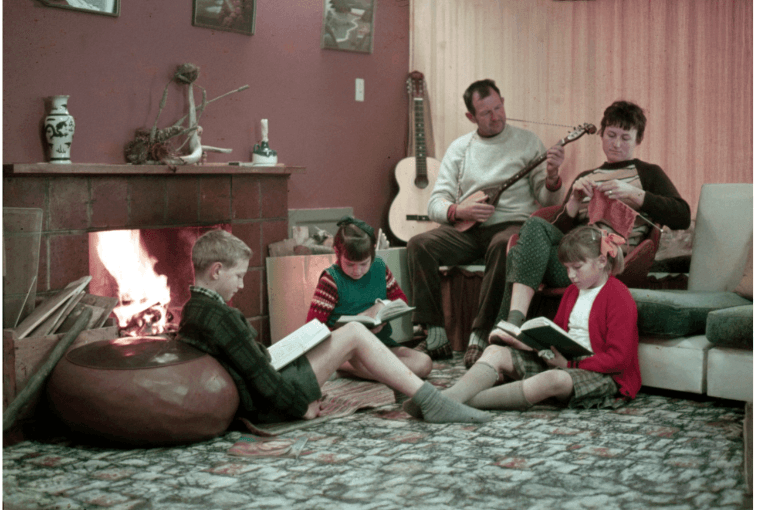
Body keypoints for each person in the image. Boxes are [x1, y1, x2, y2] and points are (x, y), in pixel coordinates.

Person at [177, 229, 491, 425]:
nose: (242, 285)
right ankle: (433, 403)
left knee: (354, 337)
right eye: (238, 276)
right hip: (267, 404)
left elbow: (250, 365)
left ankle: (420, 398)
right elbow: (263, 383)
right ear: (217, 271)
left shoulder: (195, 309)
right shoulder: (222, 317)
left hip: (266, 385)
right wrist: (302, 408)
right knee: (354, 334)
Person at [464, 100, 691, 368]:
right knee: (531, 232)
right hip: (571, 263)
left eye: (625, 137)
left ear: (637, 140)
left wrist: (635, 195)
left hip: (606, 266)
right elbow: (555, 237)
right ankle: (513, 331)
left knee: (519, 252)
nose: (616, 143)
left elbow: (682, 215)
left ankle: (508, 329)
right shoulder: (587, 176)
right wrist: (573, 201)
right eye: (611, 135)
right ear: (602, 134)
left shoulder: (648, 173)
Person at [406, 79, 566, 360]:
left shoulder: (528, 142)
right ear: (471, 117)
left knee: (502, 245)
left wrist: (552, 177)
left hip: (511, 225)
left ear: (503, 101)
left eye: (499, 107)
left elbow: (549, 200)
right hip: (468, 229)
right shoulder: (460, 148)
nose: (496, 116)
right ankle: (435, 334)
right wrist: (459, 211)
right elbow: (435, 203)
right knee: (419, 244)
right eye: (486, 113)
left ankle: (480, 334)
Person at [406, 225, 640, 416]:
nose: (570, 275)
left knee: (552, 379)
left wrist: (568, 366)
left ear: (601, 261)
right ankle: (450, 399)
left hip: (604, 376)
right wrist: (528, 342)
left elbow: (618, 360)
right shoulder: (573, 291)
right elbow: (557, 335)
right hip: (565, 361)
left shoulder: (618, 296)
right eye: (567, 269)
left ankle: (445, 402)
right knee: (496, 351)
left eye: (577, 268)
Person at [306, 216, 432, 380]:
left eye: (364, 263)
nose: (357, 271)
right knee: (392, 372)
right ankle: (344, 365)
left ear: (372, 253)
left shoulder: (379, 267)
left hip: (380, 345)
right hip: (345, 352)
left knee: (424, 363)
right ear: (337, 253)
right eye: (350, 264)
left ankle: (348, 370)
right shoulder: (331, 281)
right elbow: (312, 329)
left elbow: (400, 299)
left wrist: (383, 311)